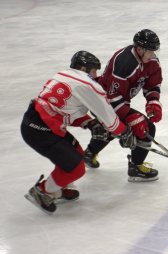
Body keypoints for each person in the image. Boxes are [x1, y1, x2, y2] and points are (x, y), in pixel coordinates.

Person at [21, 51, 136, 214]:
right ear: (84, 68)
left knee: (76, 154)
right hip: (41, 130)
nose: (96, 75)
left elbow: (63, 109)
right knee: (76, 168)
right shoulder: (88, 85)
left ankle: (59, 187)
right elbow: (109, 119)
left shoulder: (62, 75)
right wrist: (125, 133)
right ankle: (42, 191)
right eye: (94, 71)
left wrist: (89, 122)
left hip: (33, 122)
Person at [84, 29, 163, 182]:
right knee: (145, 128)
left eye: (155, 51)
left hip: (114, 100)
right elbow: (113, 97)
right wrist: (130, 116)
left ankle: (89, 153)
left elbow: (153, 83)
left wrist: (153, 101)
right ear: (139, 49)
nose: (153, 55)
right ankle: (136, 167)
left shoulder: (151, 61)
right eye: (150, 51)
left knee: (114, 129)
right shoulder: (124, 62)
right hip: (102, 100)